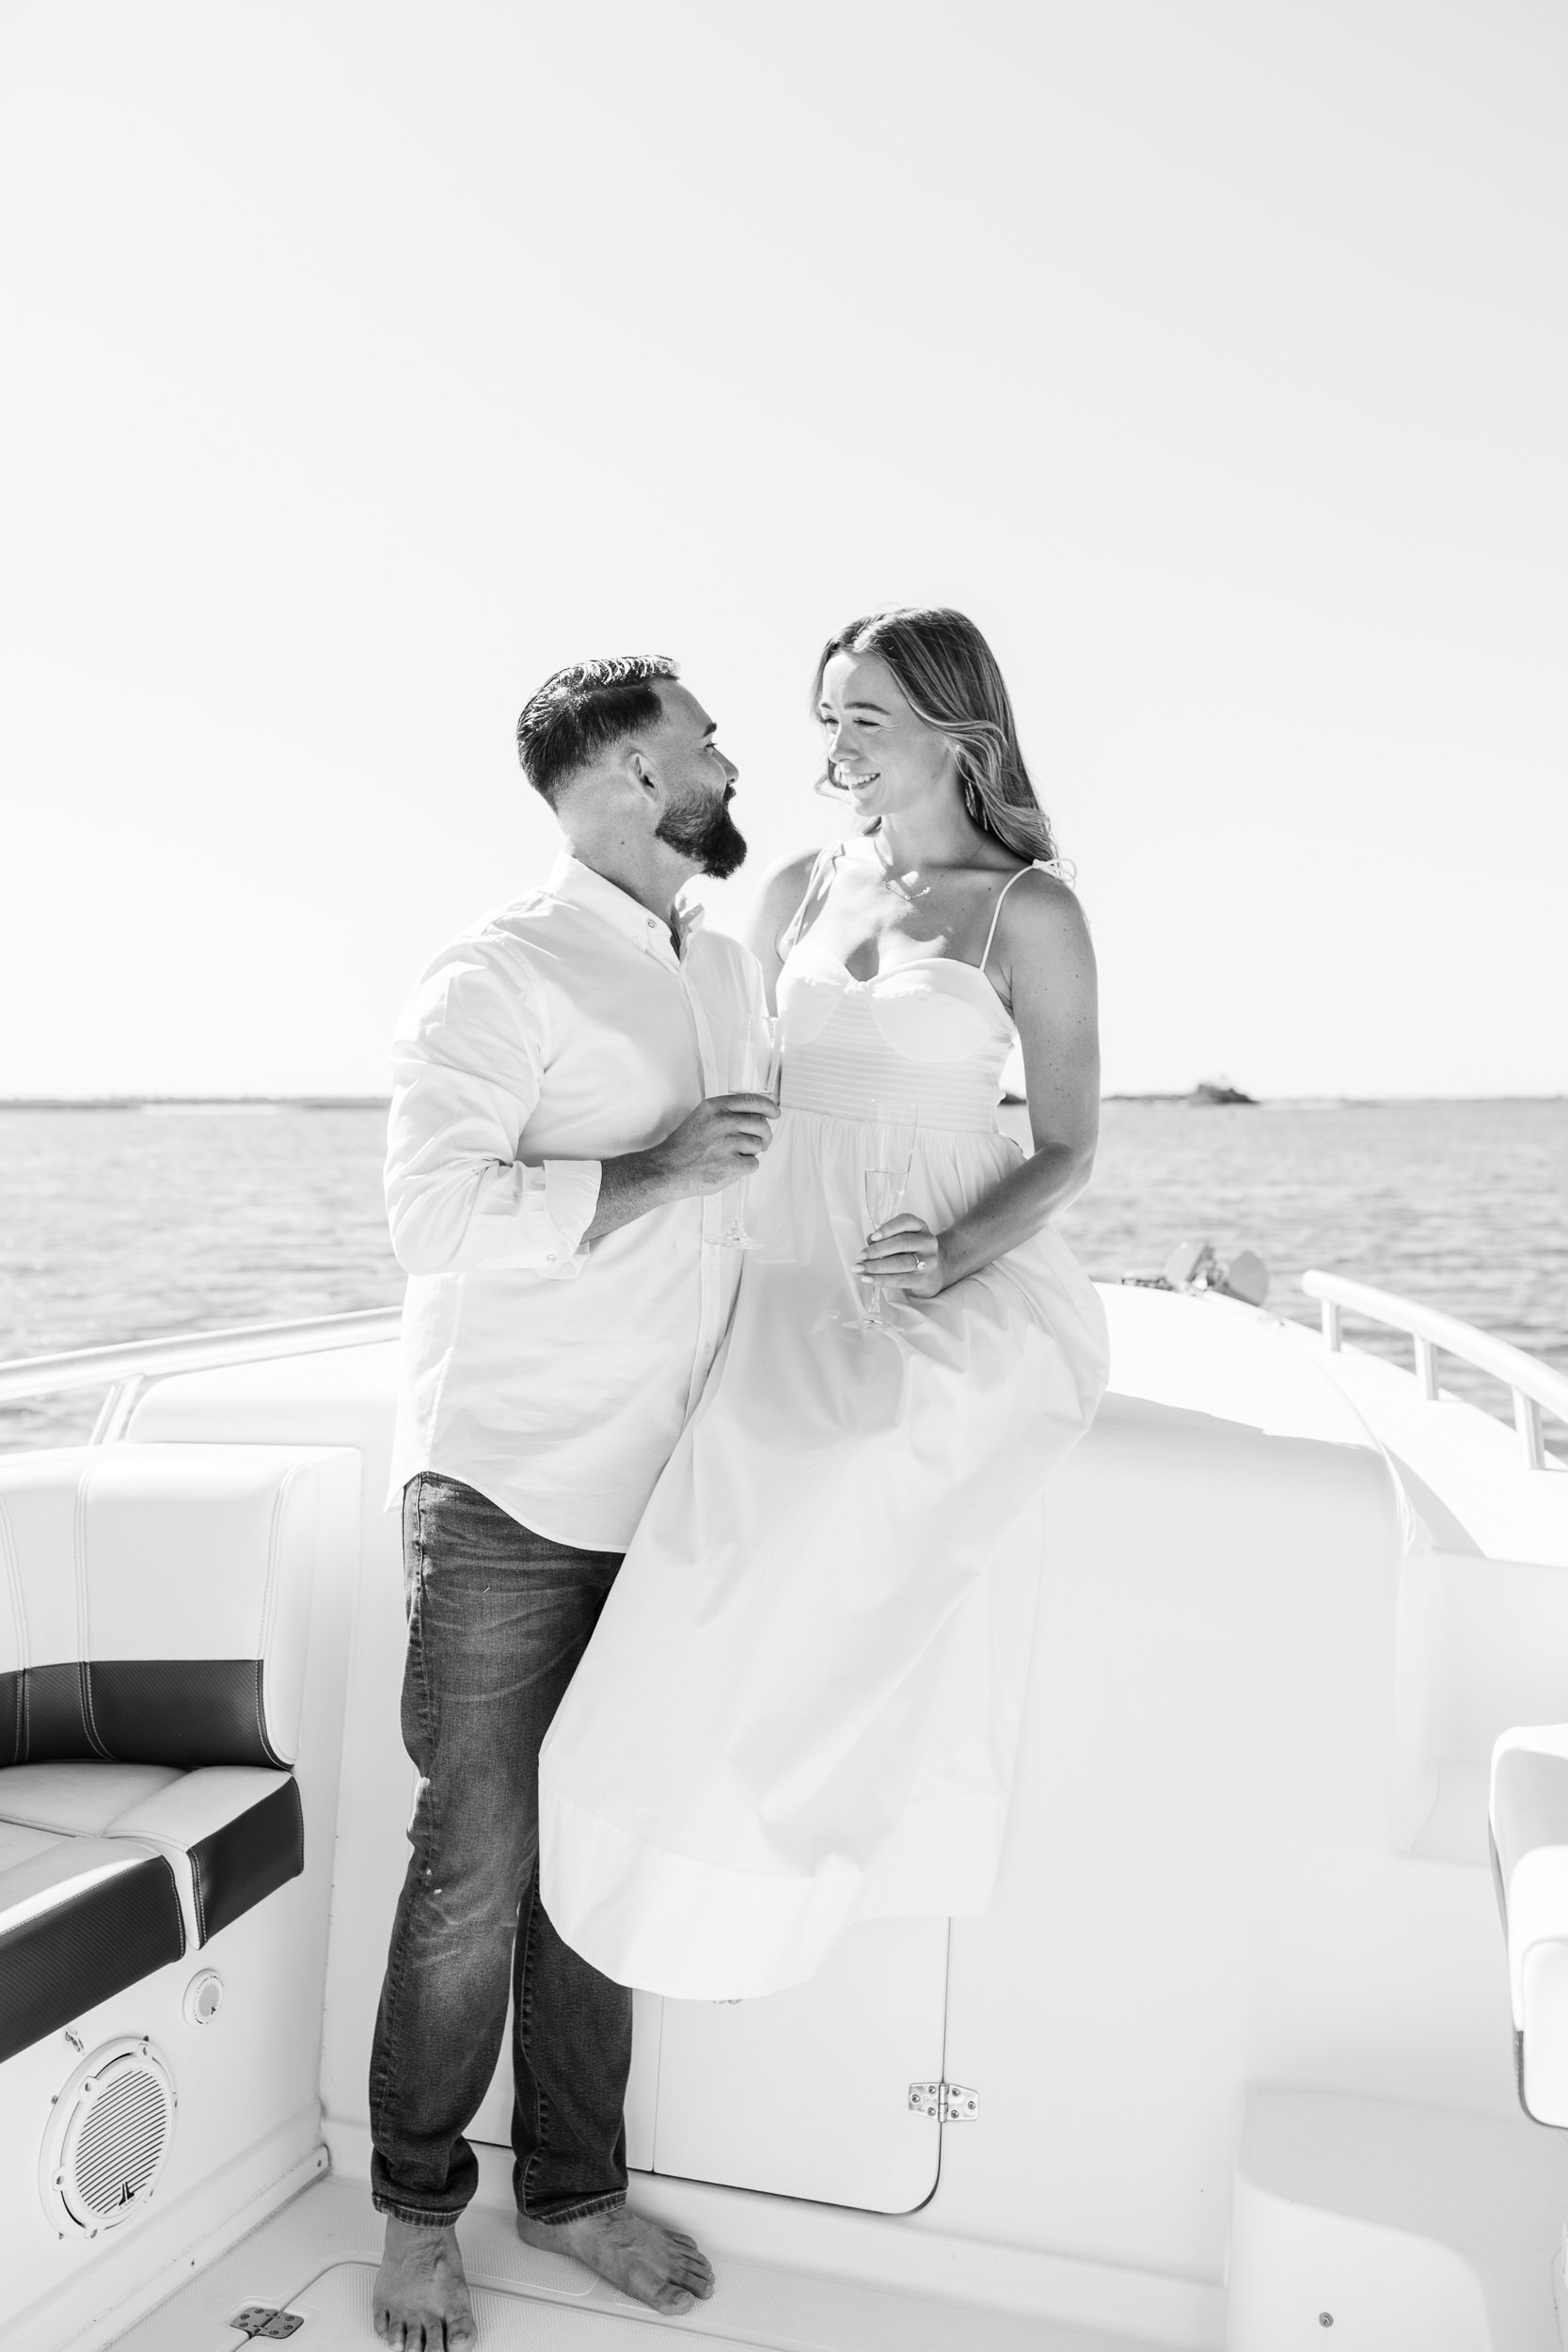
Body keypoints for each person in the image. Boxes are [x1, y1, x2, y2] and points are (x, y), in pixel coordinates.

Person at [539, 607, 1111, 2001]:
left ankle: (787, 1871)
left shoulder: (1028, 907)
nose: (836, 749)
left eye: (864, 717)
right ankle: (633, 1871)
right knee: (709, 1519)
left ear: (954, 731)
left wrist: (949, 1254)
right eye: (830, 719)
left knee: (855, 1472)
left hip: (937, 1252)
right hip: (782, 1240)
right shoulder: (794, 882)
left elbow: (1068, 1144)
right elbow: (715, 1051)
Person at [370, 656, 778, 2349]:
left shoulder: (730, 967)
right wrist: (652, 1169)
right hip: (512, 1489)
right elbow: (432, 1216)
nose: (729, 759)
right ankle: (411, 2219)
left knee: (598, 1860)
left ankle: (577, 2193)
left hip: (671, 1493)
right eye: (702, 742)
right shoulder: (497, 972)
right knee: (475, 1870)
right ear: (625, 771)